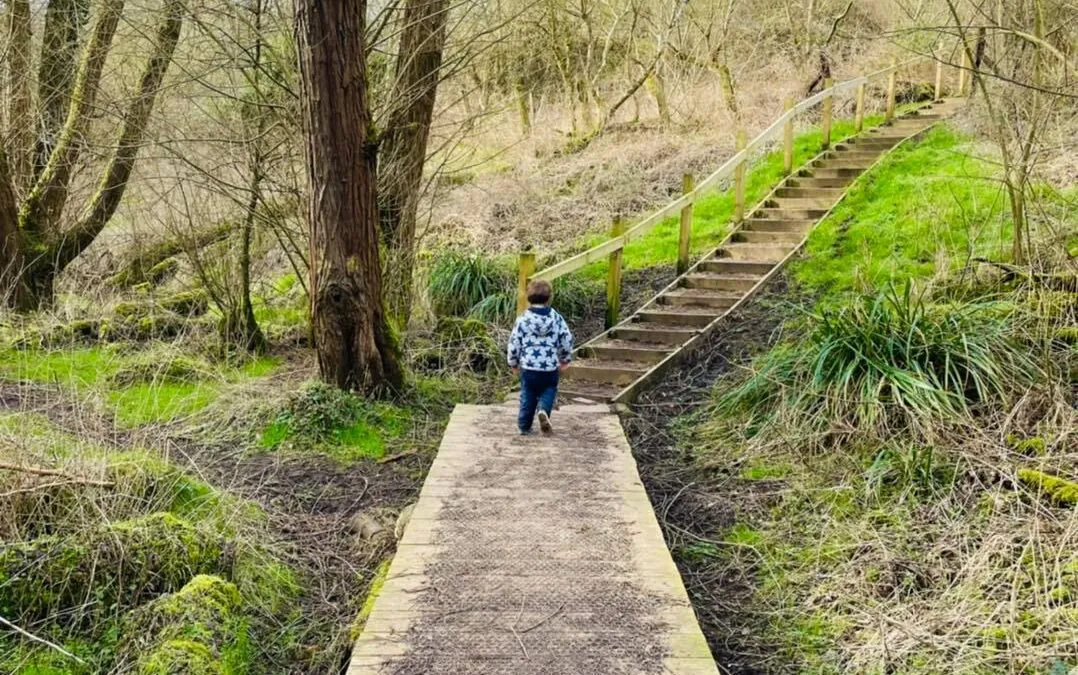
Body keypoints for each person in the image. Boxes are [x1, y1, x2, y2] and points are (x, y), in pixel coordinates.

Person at [507, 279, 573, 435]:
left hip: (528, 366)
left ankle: (524, 426)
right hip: (549, 366)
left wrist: (513, 362)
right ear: (549, 297)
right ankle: (543, 410)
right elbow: (566, 338)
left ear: (528, 297)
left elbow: (514, 342)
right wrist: (565, 358)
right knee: (549, 390)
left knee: (527, 394)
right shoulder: (556, 318)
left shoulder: (523, 319)